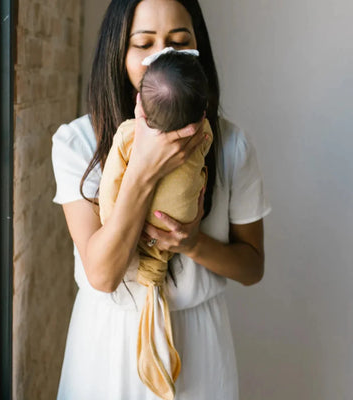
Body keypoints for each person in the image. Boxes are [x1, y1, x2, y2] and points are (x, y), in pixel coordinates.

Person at [51, 0, 272, 399]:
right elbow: (102, 275)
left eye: (179, 41)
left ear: (198, 50)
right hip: (105, 347)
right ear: (119, 53)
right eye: (144, 43)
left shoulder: (230, 144)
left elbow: (252, 265)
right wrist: (144, 167)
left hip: (199, 349)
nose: (162, 55)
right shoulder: (79, 143)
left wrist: (192, 243)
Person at [99, 49, 213, 400]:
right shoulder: (202, 134)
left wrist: (113, 219)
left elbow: (110, 192)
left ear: (139, 106)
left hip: (141, 235)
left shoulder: (129, 135)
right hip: (179, 216)